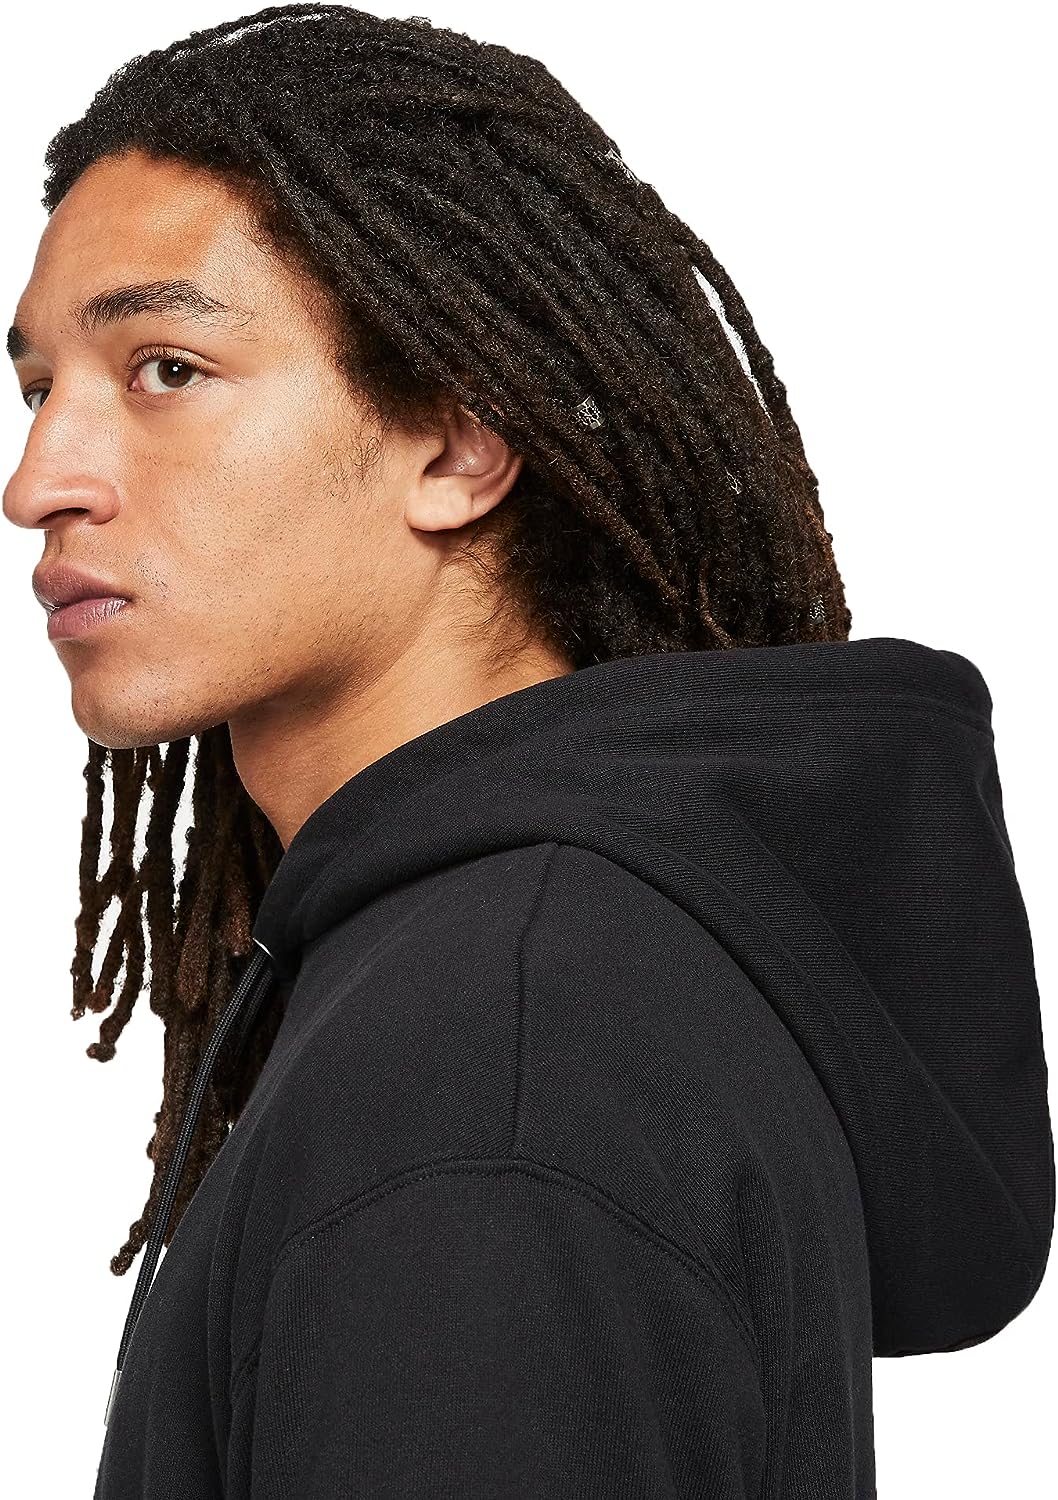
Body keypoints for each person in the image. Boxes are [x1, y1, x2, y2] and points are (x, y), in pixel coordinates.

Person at [4, 6, 1053, 1497]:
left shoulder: (494, 1064)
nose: (39, 479)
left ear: (456, 444)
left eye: (165, 369)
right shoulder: (514, 984)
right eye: (39, 388)